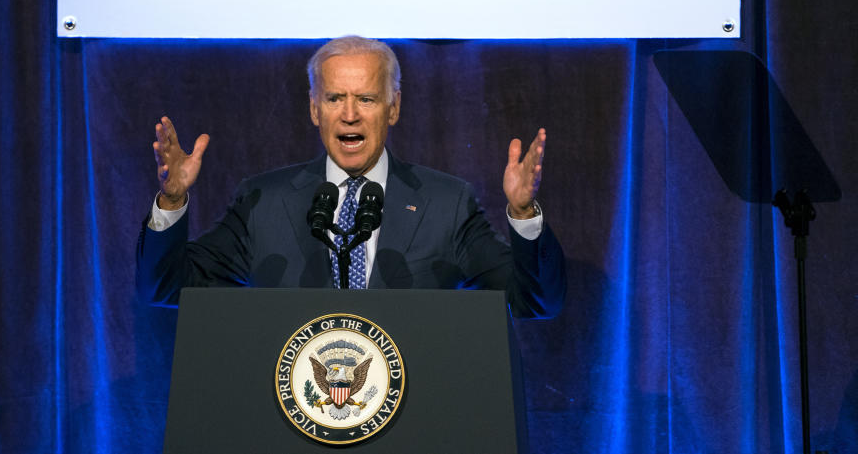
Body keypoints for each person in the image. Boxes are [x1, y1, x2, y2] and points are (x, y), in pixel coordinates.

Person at [136, 36, 565, 318]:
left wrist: (523, 214)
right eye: (334, 98)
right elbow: (167, 288)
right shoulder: (262, 200)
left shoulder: (445, 203)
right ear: (313, 109)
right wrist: (172, 203)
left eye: (367, 98)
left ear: (393, 108)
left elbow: (533, 300)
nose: (349, 114)